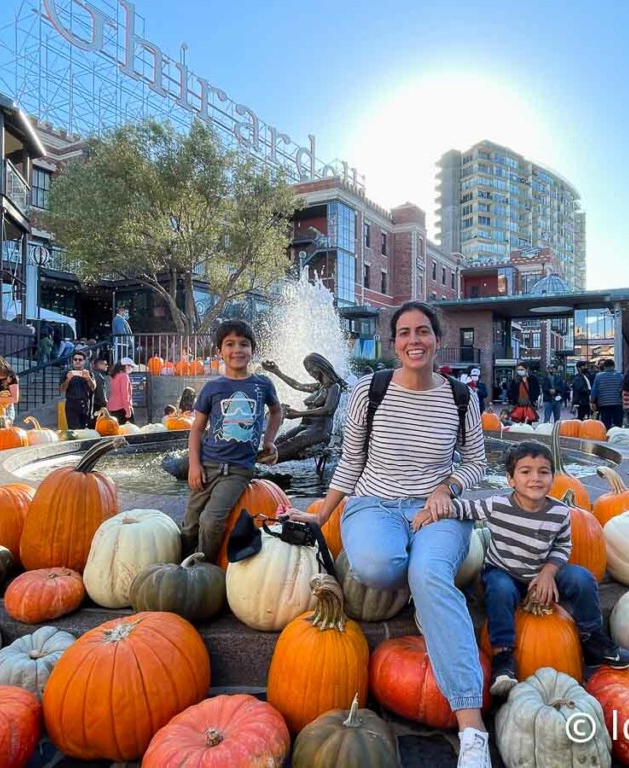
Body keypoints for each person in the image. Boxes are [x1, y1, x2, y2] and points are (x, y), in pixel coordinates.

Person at [282, 300, 491, 768]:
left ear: (437, 339)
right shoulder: (368, 390)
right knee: (378, 565)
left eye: (422, 331)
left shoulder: (461, 396)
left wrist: (448, 486)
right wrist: (321, 514)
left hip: (436, 509)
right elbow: (351, 461)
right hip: (373, 504)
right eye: (404, 333)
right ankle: (424, 594)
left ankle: (472, 731)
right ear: (393, 342)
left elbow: (477, 462)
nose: (414, 340)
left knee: (432, 574)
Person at [412, 440, 629, 696]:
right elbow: (463, 509)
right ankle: (503, 657)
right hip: (503, 573)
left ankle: (592, 638)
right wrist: (431, 512)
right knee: (500, 588)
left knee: (581, 578)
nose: (535, 478)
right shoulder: (498, 505)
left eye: (543, 471)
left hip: (541, 574)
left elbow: (563, 547)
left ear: (552, 478)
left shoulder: (560, 513)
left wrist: (549, 572)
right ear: (510, 479)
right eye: (525, 471)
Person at [182, 320, 283, 562]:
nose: (237, 349)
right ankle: (183, 566)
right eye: (230, 344)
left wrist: (269, 441)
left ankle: (205, 568)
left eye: (244, 344)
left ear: (252, 351)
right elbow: (196, 430)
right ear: (220, 352)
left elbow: (277, 411)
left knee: (211, 520)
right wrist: (194, 465)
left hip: (238, 469)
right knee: (190, 523)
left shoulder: (262, 384)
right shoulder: (213, 388)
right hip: (208, 466)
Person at [261, 354, 345, 462]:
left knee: (282, 449)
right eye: (308, 371)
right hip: (304, 426)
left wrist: (298, 414)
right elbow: (297, 385)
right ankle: (255, 467)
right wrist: (277, 372)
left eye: (311, 369)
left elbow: (328, 410)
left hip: (318, 431)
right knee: (277, 442)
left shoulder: (334, 387)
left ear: (320, 365)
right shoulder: (319, 387)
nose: (310, 373)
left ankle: (250, 467)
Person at [59, 351, 96, 429]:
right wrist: (68, 379)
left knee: (85, 429)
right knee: (74, 429)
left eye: (80, 359)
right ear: (72, 361)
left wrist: (88, 378)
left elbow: (93, 387)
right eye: (75, 359)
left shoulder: (88, 373)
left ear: (84, 361)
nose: (77, 361)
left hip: (85, 404)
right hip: (71, 404)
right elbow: (62, 389)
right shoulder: (66, 373)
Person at [589, 359, 623, 430]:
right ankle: (617, 436)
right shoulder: (620, 376)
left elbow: (594, 391)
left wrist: (592, 402)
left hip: (603, 403)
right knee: (618, 423)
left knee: (606, 423)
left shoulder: (598, 376)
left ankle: (606, 436)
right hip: (618, 402)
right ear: (614, 366)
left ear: (604, 367)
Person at [106, 357, 136, 424]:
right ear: (126, 366)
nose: (132, 368)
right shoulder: (124, 376)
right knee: (130, 431)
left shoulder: (114, 376)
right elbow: (125, 394)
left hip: (112, 407)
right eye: (131, 366)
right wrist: (128, 410)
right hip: (122, 408)